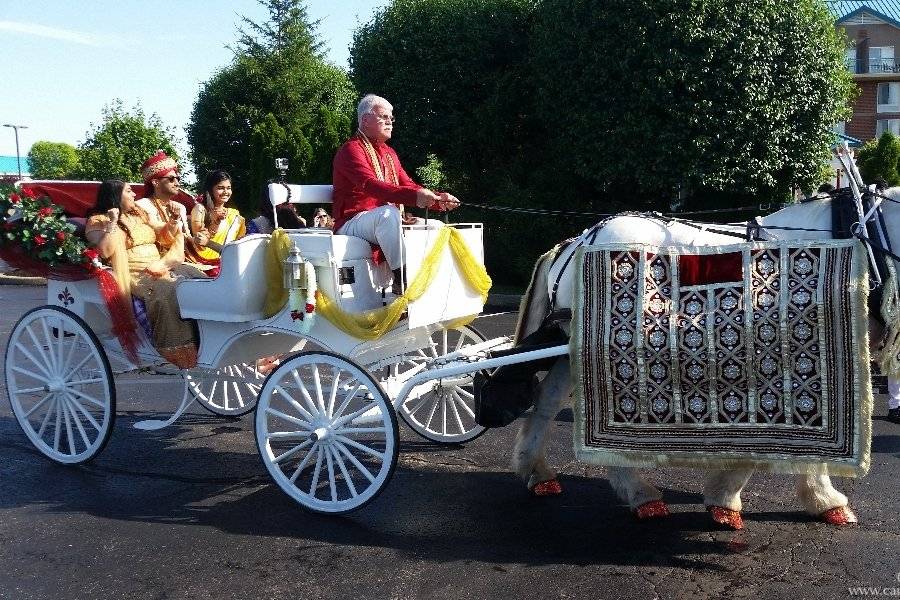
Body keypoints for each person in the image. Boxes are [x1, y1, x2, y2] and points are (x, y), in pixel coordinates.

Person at [332, 94, 460, 291]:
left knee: (437, 226)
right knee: (388, 214)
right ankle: (402, 283)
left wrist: (437, 200)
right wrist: (415, 197)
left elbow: (408, 185)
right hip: (352, 221)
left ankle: (433, 285)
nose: (390, 122)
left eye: (391, 118)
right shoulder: (351, 150)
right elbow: (371, 185)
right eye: (384, 117)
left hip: (384, 222)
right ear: (365, 120)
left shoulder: (390, 153)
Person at [85, 180, 206, 369]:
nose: (134, 195)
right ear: (115, 195)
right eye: (129, 191)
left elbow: (164, 235)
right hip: (135, 272)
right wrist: (113, 222)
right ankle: (177, 349)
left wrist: (173, 221)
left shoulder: (139, 214)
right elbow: (104, 251)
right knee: (167, 290)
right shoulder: (98, 220)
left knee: (197, 278)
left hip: (159, 263)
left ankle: (206, 336)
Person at [135, 151, 194, 248]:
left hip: (180, 257)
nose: (177, 183)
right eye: (171, 179)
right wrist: (173, 221)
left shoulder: (180, 207)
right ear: (156, 183)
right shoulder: (141, 206)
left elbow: (187, 238)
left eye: (177, 179)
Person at [189, 170, 246, 260]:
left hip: (229, 259)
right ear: (210, 190)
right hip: (204, 261)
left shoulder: (234, 214)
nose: (226, 191)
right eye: (220, 188)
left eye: (228, 188)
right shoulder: (200, 209)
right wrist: (215, 222)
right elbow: (200, 242)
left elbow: (239, 242)